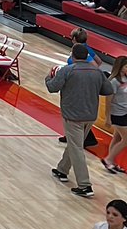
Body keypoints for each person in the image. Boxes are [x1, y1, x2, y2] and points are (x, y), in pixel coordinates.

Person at [49, 42, 117, 198]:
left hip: (73, 116)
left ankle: (85, 185)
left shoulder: (67, 70)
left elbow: (52, 87)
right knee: (75, 145)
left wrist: (49, 76)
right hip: (90, 116)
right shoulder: (97, 72)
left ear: (72, 55)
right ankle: (62, 170)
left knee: (77, 148)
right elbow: (107, 90)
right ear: (87, 56)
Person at [102, 57, 127, 174]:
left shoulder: (125, 79)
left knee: (117, 138)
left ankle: (112, 162)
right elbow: (108, 101)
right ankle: (108, 159)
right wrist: (108, 118)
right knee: (126, 139)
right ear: (120, 66)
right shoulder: (113, 81)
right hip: (117, 114)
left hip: (125, 112)